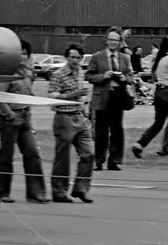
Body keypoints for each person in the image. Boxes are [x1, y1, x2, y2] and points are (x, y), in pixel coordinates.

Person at [0, 41, 48, 203]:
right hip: (10, 118)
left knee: (32, 153)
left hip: (25, 117)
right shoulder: (8, 73)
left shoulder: (29, 73)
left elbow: (29, 95)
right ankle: (1, 192)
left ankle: (36, 192)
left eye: (25, 53)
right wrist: (8, 114)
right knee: (6, 156)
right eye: (19, 53)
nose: (22, 56)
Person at [49, 44, 95, 203]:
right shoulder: (58, 75)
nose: (75, 61)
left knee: (88, 153)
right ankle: (59, 191)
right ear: (66, 58)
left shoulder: (81, 73)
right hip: (64, 117)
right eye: (72, 57)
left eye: (78, 58)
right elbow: (53, 98)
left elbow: (82, 97)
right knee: (63, 157)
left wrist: (85, 111)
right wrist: (73, 95)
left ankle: (81, 188)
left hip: (80, 116)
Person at [88, 28, 132, 170]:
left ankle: (114, 160)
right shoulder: (97, 57)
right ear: (106, 41)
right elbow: (88, 76)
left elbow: (131, 77)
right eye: (111, 40)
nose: (113, 43)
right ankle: (99, 160)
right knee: (101, 130)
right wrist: (103, 76)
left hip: (118, 95)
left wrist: (125, 78)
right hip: (102, 96)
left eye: (116, 41)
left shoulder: (125, 58)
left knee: (117, 129)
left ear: (120, 42)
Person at [133, 37, 168, 159]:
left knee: (158, 123)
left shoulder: (160, 60)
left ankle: (140, 144)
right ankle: (165, 147)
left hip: (160, 92)